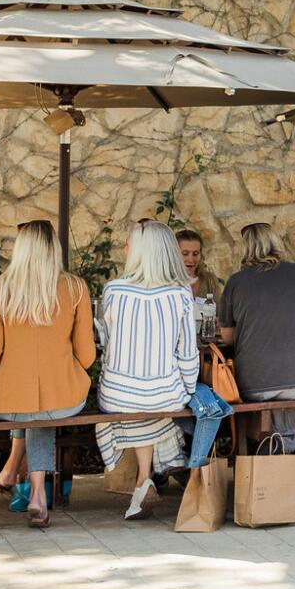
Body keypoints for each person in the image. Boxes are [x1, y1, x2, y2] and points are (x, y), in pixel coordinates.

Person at [0, 221, 94, 527]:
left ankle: (13, 469)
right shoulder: (75, 287)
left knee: (31, 409)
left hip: (10, 402)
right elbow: (87, 356)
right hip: (64, 396)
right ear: (54, 249)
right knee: (42, 410)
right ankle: (38, 494)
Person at [219, 223, 295, 515]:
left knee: (276, 395)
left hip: (255, 383)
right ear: (276, 243)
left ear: (245, 248)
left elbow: (227, 338)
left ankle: (278, 481)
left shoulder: (236, 282)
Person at [94, 221, 198, 521]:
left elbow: (108, 346)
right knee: (156, 398)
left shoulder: (113, 290)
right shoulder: (180, 294)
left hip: (117, 393)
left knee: (137, 397)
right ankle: (146, 476)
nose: (124, 248)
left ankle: (144, 479)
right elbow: (188, 354)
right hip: (163, 394)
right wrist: (188, 391)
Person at [176, 228, 223, 302]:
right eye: (185, 254)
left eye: (195, 254)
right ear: (174, 254)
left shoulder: (209, 280)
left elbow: (219, 311)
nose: (191, 259)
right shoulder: (166, 282)